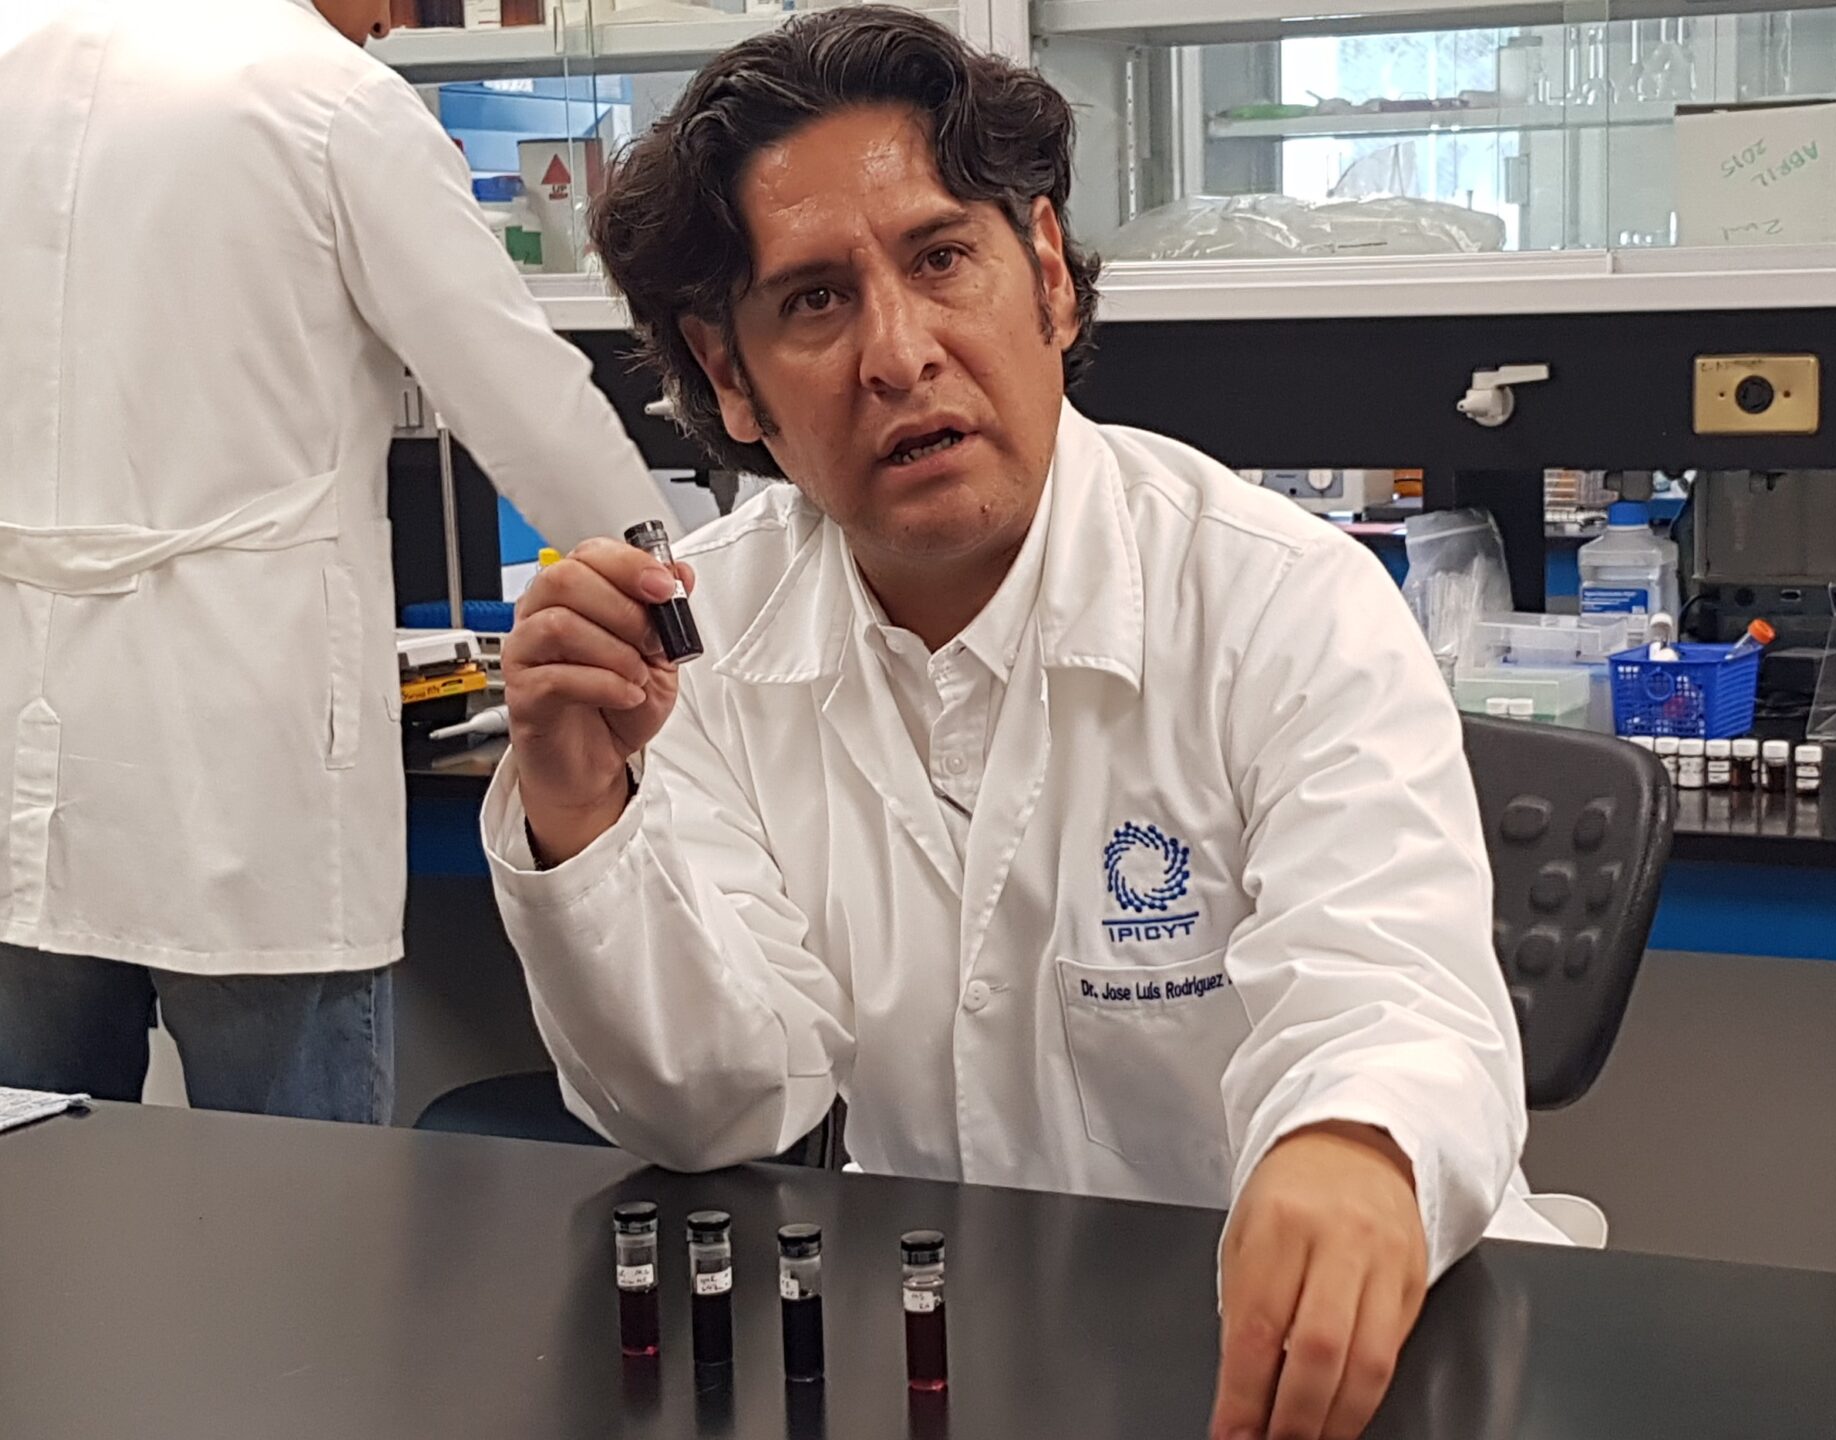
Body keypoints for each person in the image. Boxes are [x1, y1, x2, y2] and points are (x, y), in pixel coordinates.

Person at [481, 9, 1554, 1438]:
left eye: (940, 259)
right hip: (944, 1355)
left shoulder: (1280, 601)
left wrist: (1356, 1144)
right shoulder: (700, 639)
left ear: (1045, 273)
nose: (898, 354)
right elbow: (718, 1103)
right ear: (728, 377)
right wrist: (579, 812)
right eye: (814, 301)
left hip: (1302, 1358)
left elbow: (1390, 990)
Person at [0, 0, 672, 1123]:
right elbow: (527, 405)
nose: (394, 21)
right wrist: (685, 617)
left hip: (25, 757)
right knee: (301, 1206)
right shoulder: (329, 102)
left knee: (36, 1194)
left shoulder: (15, 57)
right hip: (244, 768)